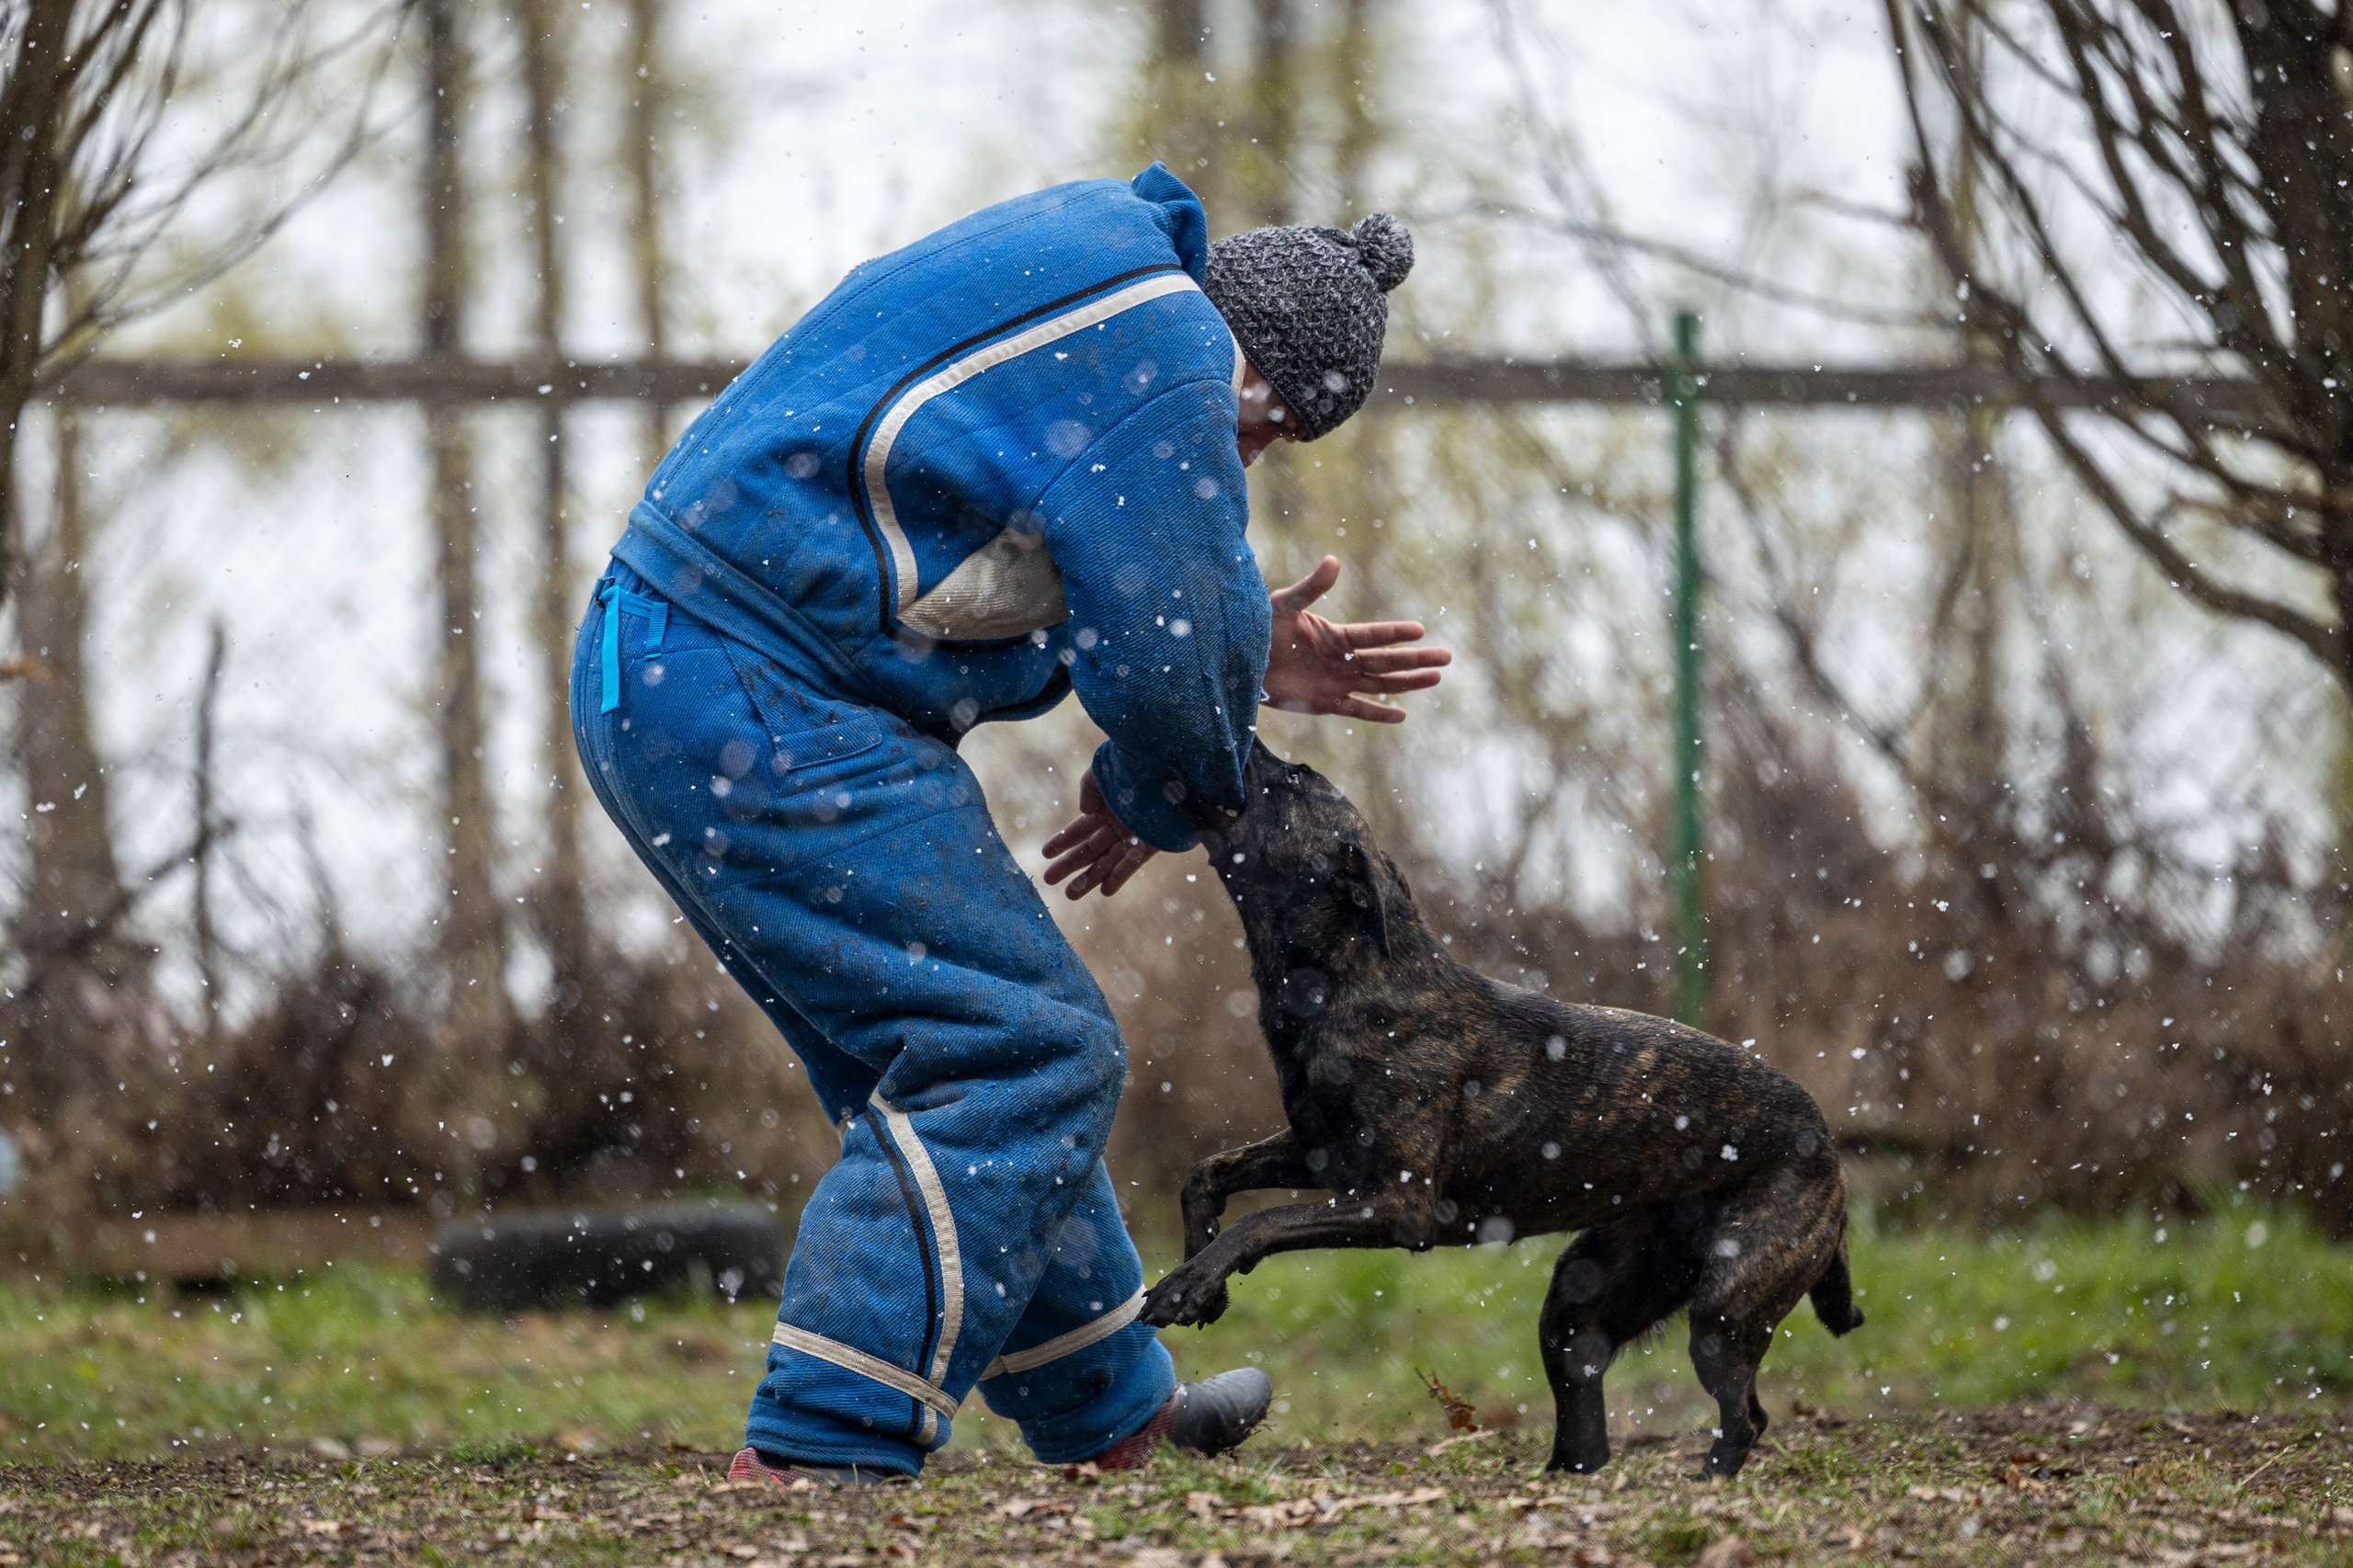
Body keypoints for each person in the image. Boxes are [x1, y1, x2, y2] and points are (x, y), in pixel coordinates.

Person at [570, 162, 1449, 1485]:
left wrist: (1227, 652)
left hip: (673, 663)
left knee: (956, 1042)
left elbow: (1039, 569)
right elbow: (1164, 650)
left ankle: (1108, 1403)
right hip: (753, 688)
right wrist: (1170, 763)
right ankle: (821, 1448)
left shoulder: (1099, 269)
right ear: (1259, 371)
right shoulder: (1171, 354)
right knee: (1019, 1047)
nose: (1244, 457)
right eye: (1266, 436)